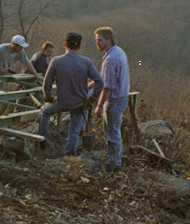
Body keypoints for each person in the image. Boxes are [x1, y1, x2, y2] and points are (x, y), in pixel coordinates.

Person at [39, 33, 103, 156]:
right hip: (79, 103)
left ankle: (43, 140)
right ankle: (69, 155)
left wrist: (47, 97)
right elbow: (100, 81)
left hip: (62, 101)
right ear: (79, 47)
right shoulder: (86, 62)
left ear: (64, 44)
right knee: (74, 130)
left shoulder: (56, 61)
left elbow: (46, 83)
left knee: (44, 112)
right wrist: (92, 99)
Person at [94, 26, 131, 172]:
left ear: (108, 40)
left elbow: (107, 87)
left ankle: (114, 163)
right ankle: (115, 160)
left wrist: (99, 105)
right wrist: (93, 83)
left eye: (99, 40)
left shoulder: (110, 59)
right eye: (96, 40)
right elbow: (106, 77)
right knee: (115, 131)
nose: (96, 43)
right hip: (122, 97)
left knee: (112, 133)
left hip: (114, 100)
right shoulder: (119, 51)